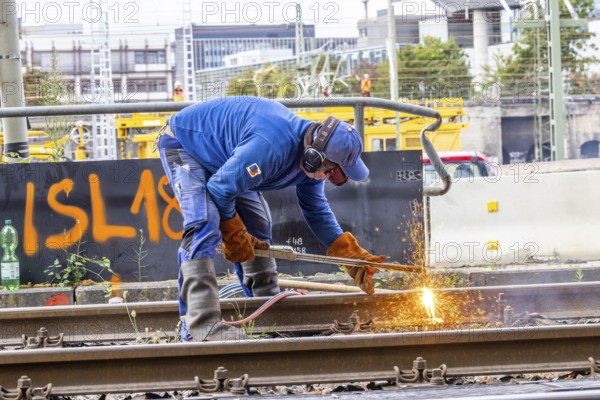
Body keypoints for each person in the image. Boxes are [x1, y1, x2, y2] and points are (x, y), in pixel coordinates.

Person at [157, 97, 387, 342]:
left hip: (229, 157)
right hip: (185, 145)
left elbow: (317, 212)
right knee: (204, 222)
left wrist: (349, 255)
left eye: (339, 177)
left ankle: (266, 311)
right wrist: (234, 233)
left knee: (257, 224)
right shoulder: (270, 147)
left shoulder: (313, 168)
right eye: (332, 172)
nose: (331, 179)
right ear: (312, 157)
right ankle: (199, 326)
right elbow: (220, 189)